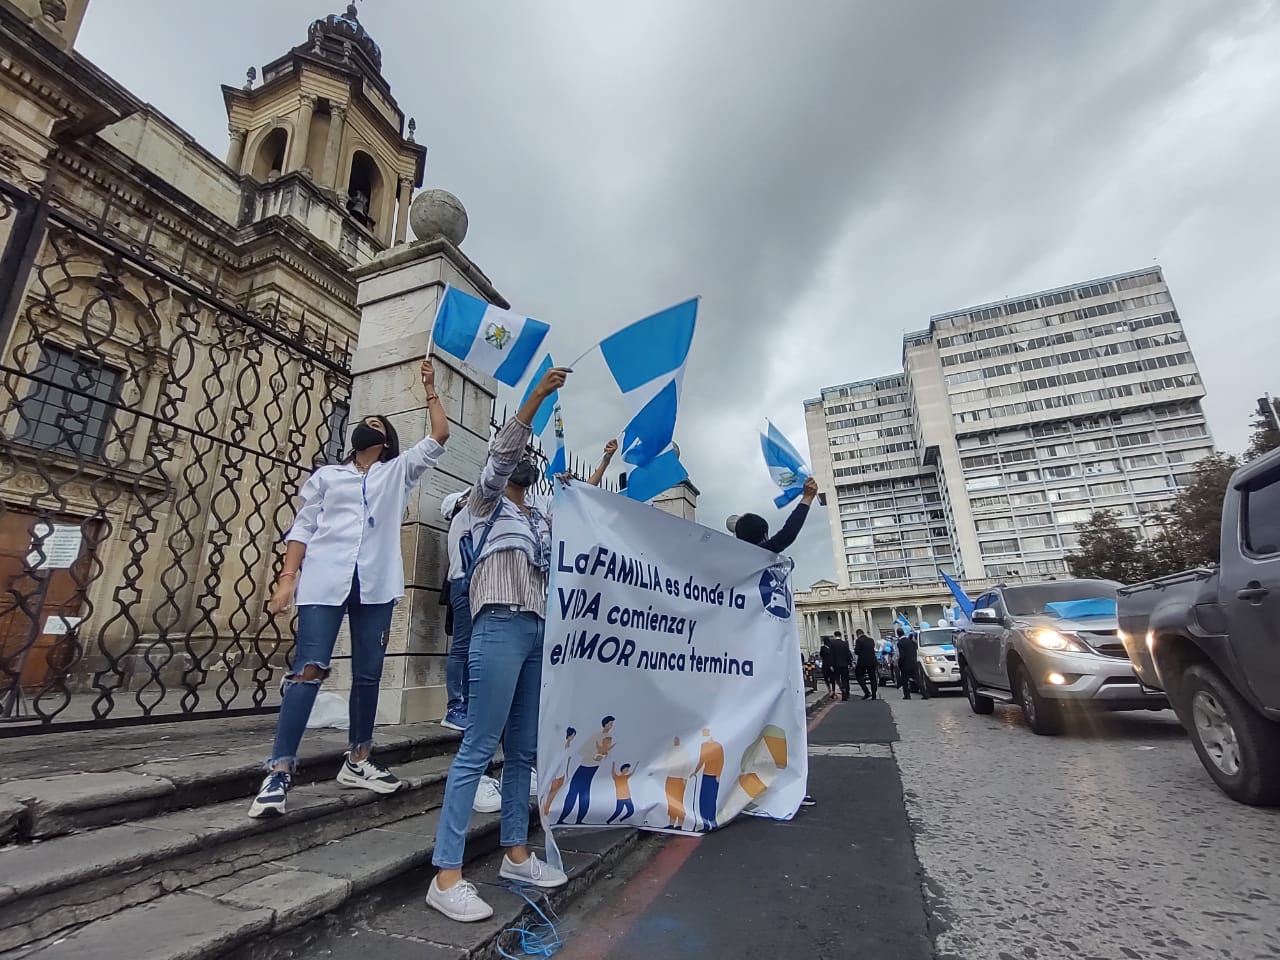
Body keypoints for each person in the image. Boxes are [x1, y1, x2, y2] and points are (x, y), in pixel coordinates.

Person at [250, 360, 449, 819]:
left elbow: (439, 436)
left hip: (375, 585)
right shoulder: (326, 476)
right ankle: (279, 770)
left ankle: (358, 758)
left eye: (378, 425)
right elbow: (302, 528)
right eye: (366, 423)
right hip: (323, 580)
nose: (369, 426)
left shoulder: (397, 473)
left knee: (367, 674)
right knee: (310, 669)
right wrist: (286, 580)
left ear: (386, 442)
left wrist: (430, 389)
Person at [426, 364, 571, 923]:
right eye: (521, 464)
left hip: (536, 629)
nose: (523, 469)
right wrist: (535, 397)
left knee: (523, 752)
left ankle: (515, 853)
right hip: (498, 624)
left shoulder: (540, 515)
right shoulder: (482, 503)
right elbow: (501, 456)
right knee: (478, 747)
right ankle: (446, 873)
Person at [731, 476, 820, 808]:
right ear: (762, 536)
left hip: (738, 656)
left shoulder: (728, 560)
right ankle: (773, 783)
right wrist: (807, 499)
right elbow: (787, 535)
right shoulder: (761, 556)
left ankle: (744, 781)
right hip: (766, 657)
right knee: (775, 724)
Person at [557, 715, 615, 825]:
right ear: (606, 724)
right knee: (578, 792)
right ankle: (568, 818)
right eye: (610, 723)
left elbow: (601, 754)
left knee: (578, 792)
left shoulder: (605, 737)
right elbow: (587, 751)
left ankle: (572, 819)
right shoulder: (598, 736)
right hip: (587, 766)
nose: (612, 726)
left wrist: (598, 755)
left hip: (588, 766)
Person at [692, 728, 724, 831]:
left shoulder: (718, 746)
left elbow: (721, 761)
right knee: (703, 800)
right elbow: (701, 760)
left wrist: (718, 774)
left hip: (713, 777)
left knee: (711, 799)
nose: (703, 733)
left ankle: (713, 822)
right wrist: (695, 772)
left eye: (705, 731)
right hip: (705, 776)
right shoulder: (703, 745)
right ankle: (705, 824)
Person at [854, 628, 879, 700]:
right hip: (872, 661)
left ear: (857, 634)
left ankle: (867, 692)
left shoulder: (858, 641)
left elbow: (857, 651)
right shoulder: (871, 640)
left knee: (859, 675)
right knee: (873, 678)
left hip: (863, 662)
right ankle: (874, 694)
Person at [830, 631, 853, 701]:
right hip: (845, 664)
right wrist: (850, 663)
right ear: (840, 636)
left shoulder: (832, 643)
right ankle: (846, 692)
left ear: (834, 636)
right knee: (845, 679)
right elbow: (848, 654)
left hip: (836, 665)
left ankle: (842, 688)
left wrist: (831, 664)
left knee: (837, 678)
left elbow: (831, 655)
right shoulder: (845, 643)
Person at [898, 630, 920, 701]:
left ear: (898, 634)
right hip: (913, 662)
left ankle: (907, 695)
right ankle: (925, 693)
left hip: (905, 665)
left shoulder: (900, 643)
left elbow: (902, 655)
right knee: (917, 679)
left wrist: (900, 664)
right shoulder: (911, 641)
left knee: (904, 681)